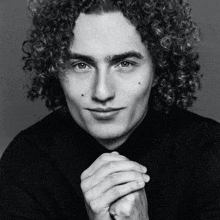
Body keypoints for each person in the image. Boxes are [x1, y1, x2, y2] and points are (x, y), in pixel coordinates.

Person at [0, 0, 220, 219]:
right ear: (55, 70)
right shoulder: (25, 162)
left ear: (159, 70)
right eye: (81, 65)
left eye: (125, 64)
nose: (102, 92)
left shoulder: (211, 153)